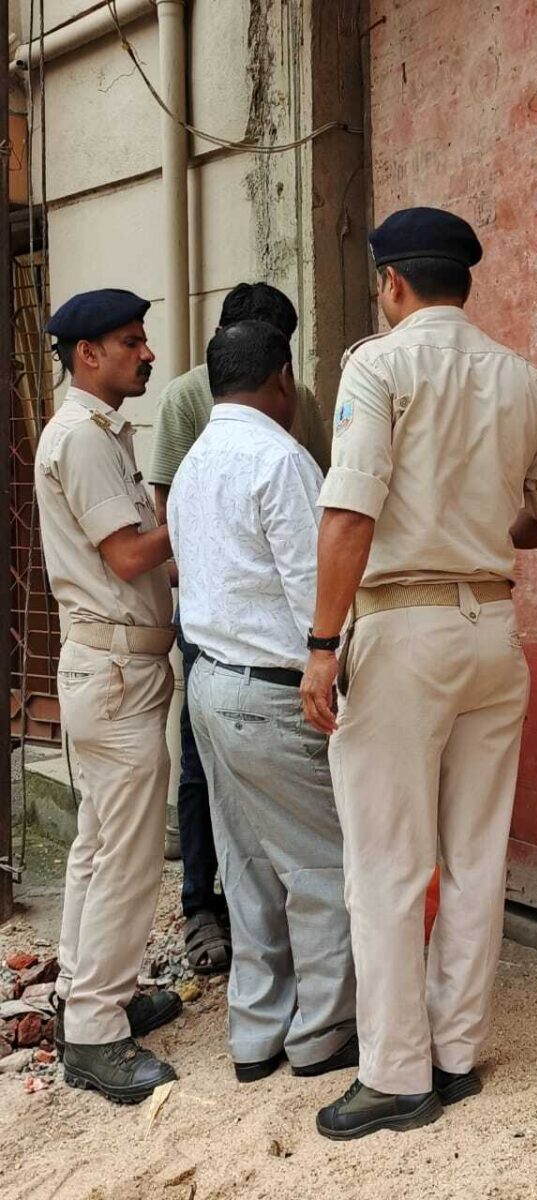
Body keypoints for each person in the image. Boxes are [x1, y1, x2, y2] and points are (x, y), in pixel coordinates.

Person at [302, 207, 537, 1140]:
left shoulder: (377, 365)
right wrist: (478, 532)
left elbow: (350, 513)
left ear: (391, 283)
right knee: (475, 855)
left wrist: (321, 644)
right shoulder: (524, 378)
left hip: (403, 628)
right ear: (464, 281)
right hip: (490, 626)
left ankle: (394, 1076)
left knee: (386, 862)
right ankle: (456, 1055)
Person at [168, 320, 357, 1083]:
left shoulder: (192, 463)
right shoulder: (282, 460)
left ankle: (256, 1035)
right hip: (274, 693)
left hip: (209, 684)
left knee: (247, 868)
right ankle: (323, 1035)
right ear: (283, 379)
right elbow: (317, 594)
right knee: (323, 866)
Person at [147, 283, 331, 977]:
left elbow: (318, 507)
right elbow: (169, 513)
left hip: (243, 643)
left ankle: (262, 1000)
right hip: (236, 640)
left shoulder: (287, 415)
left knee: (260, 839)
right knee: (212, 778)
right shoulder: (194, 404)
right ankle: (201, 903)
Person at [34, 289, 183, 1104]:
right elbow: (128, 557)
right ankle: (96, 1034)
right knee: (127, 855)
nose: (147, 353)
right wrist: (201, 512)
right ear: (87, 354)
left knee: (98, 844)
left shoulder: (100, 432)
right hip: (116, 672)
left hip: (114, 671)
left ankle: (86, 996)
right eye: (131, 341)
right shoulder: (84, 438)